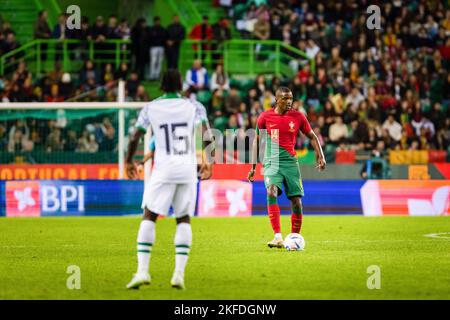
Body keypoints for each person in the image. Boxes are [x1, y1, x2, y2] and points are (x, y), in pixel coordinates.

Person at [125, 69, 213, 290]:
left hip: (163, 169)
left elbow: (136, 135)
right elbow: (207, 132)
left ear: (161, 85)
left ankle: (143, 271)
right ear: (181, 85)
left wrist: (128, 160)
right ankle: (178, 275)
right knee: (183, 219)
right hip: (186, 169)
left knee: (149, 215)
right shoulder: (194, 106)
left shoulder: (151, 107)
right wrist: (208, 159)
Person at [247, 87, 326, 248]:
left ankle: (295, 236)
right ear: (276, 100)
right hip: (272, 162)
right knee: (271, 191)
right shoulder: (265, 117)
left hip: (290, 163)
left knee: (296, 201)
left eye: (291, 98)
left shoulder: (298, 117)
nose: (289, 101)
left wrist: (321, 155)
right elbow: (256, 140)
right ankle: (277, 236)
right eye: (285, 98)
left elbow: (312, 136)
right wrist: (253, 166)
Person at [147, 16, 167, 80]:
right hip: (153, 47)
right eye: (156, 21)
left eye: (158, 21)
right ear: (154, 22)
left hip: (161, 47)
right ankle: (152, 75)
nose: (157, 22)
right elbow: (149, 39)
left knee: (159, 61)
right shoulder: (151, 29)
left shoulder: (162, 29)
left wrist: (164, 48)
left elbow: (164, 39)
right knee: (153, 61)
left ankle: (157, 75)